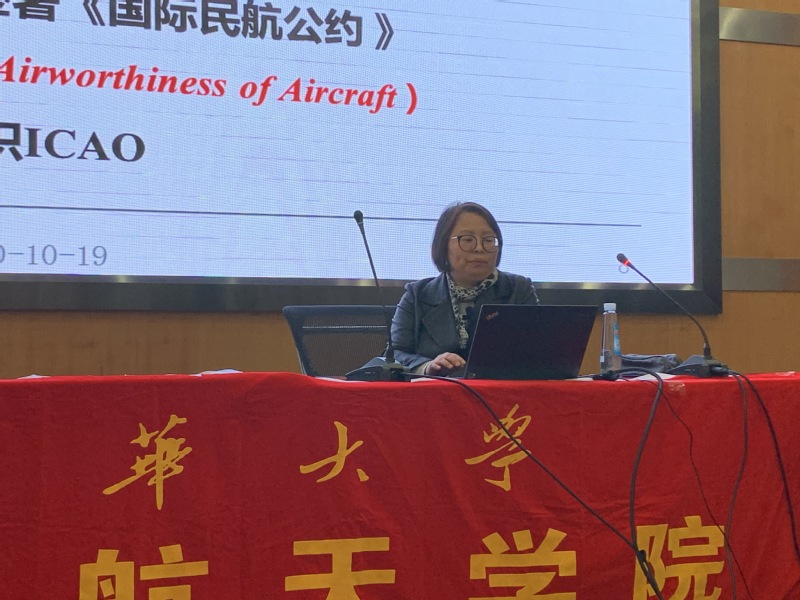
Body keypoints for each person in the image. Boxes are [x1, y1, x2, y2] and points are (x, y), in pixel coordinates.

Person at [391, 202, 539, 376]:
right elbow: (394, 355)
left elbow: (538, 351)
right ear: (443, 245)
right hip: (436, 390)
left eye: (488, 240)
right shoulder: (417, 295)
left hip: (500, 391)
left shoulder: (518, 290)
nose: (479, 248)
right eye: (468, 240)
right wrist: (427, 366)